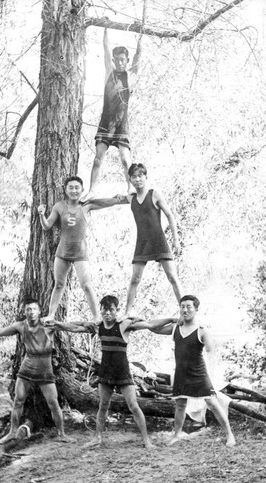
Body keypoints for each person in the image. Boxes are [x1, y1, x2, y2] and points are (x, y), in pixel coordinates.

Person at [49, 294, 175, 449]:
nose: (107, 313)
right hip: (106, 372)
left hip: (122, 372)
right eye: (104, 310)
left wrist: (171, 319)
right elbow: (76, 327)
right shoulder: (98, 326)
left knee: (133, 406)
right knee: (103, 406)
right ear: (100, 310)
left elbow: (150, 324)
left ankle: (147, 441)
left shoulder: (124, 324)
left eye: (111, 310)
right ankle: (97, 438)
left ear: (117, 311)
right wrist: (57, 324)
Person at [0, 297, 94, 444]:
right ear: (24, 312)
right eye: (28, 309)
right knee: (18, 401)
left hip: (45, 372)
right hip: (26, 370)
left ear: (39, 311)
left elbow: (70, 326)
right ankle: (13, 432)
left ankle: (62, 434)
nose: (31, 312)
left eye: (34, 309)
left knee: (53, 403)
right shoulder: (20, 326)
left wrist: (89, 326)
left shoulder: (47, 325)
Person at [85, 163, 183, 316]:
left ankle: (183, 309)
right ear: (130, 180)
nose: (137, 180)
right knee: (135, 278)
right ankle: (128, 312)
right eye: (134, 177)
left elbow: (169, 215)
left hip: (159, 241)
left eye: (140, 176)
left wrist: (175, 240)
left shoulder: (154, 194)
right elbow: (111, 202)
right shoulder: (131, 198)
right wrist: (89, 203)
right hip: (142, 242)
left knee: (172, 277)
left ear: (145, 177)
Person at [150, 294, 236, 447]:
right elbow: (153, 328)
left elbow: (211, 353)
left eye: (189, 307)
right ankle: (177, 435)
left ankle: (229, 435)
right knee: (180, 405)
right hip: (181, 374)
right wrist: (170, 319)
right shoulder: (176, 328)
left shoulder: (202, 331)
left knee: (213, 403)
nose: (185, 310)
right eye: (182, 307)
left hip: (199, 374)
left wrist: (214, 375)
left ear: (196, 309)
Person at [38, 175, 122, 322]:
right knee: (58, 284)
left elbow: (105, 203)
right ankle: (51, 315)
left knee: (87, 285)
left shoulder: (86, 206)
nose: (74, 190)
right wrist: (41, 214)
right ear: (65, 189)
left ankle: (96, 317)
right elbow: (46, 226)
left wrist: (117, 199)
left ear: (82, 190)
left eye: (77, 188)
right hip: (62, 252)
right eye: (70, 187)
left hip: (80, 253)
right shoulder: (59, 206)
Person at [82, 28, 142, 201]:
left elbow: (139, 57)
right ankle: (92, 190)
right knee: (97, 160)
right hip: (106, 122)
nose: (119, 63)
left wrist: (141, 35)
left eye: (122, 60)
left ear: (127, 60)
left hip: (122, 124)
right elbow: (106, 49)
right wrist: (106, 28)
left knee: (125, 160)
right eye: (117, 60)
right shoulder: (110, 72)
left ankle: (130, 188)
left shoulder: (130, 76)